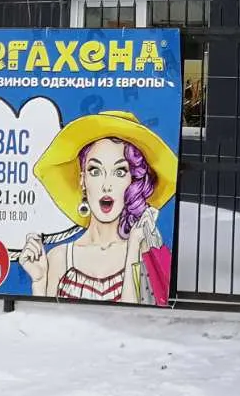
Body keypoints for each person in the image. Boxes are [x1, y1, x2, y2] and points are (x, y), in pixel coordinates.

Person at [18, 110, 178, 305]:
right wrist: (39, 282)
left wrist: (134, 247)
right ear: (82, 180)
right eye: (95, 171)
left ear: (134, 181)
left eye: (119, 172)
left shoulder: (144, 250)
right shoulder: (59, 257)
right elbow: (45, 322)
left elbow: (136, 316)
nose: (106, 185)